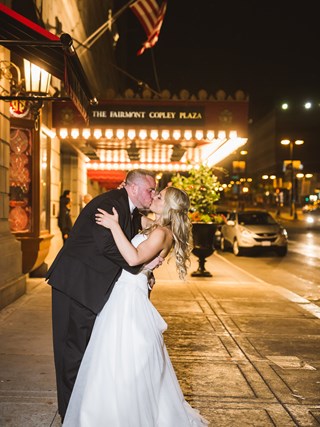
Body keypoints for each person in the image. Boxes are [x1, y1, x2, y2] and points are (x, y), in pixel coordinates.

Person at [63, 186, 209, 427]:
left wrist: (113, 226)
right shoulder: (155, 226)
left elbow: (132, 259)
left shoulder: (161, 233)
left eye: (159, 196)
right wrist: (126, 194)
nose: (154, 197)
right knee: (111, 355)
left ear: (168, 206)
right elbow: (135, 213)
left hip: (130, 296)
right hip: (123, 292)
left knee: (124, 356)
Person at [46, 170, 159, 422]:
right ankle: (69, 414)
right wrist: (138, 266)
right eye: (150, 189)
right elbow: (105, 245)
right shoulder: (110, 204)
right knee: (71, 352)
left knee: (83, 350)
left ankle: (79, 408)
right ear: (132, 188)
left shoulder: (126, 208)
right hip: (76, 286)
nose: (152, 195)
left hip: (89, 287)